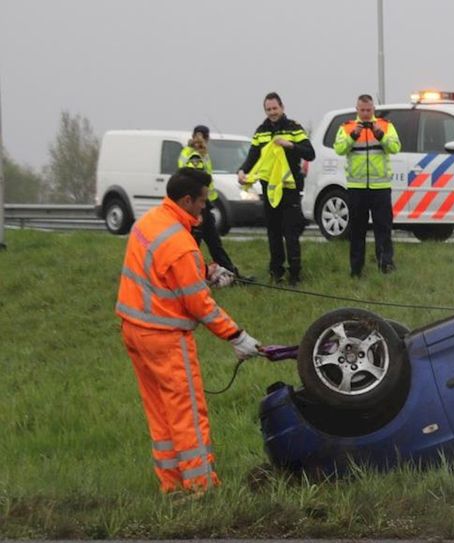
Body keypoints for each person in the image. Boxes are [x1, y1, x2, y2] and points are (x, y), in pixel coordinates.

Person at [115, 168, 262, 496]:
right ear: (186, 199)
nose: (205, 208)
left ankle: (172, 485)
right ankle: (201, 486)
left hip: (134, 331)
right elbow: (200, 305)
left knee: (160, 412)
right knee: (187, 412)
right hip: (164, 337)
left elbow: (166, 274)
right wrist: (237, 337)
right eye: (202, 201)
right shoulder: (181, 244)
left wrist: (206, 271)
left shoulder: (151, 221)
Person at [237, 92, 314, 286]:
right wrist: (242, 170)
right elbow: (253, 156)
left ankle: (295, 275)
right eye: (268, 109)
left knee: (291, 233)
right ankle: (276, 273)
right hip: (269, 190)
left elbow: (310, 153)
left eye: (275, 108)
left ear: (282, 108)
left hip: (290, 190)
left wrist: (289, 145)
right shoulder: (261, 131)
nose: (272, 112)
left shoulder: (294, 128)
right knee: (273, 233)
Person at [334, 94, 402, 276]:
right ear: (357, 110)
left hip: (380, 187)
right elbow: (339, 149)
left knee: (383, 229)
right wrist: (353, 136)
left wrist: (380, 134)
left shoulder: (385, 126)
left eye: (368, 110)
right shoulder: (347, 127)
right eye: (362, 110)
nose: (365, 114)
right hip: (356, 187)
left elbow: (395, 147)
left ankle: (385, 265)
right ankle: (356, 270)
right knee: (357, 231)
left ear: (373, 110)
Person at [178, 125, 246, 280]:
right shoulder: (194, 156)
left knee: (213, 243)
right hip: (197, 206)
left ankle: (231, 274)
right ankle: (191, 277)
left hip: (201, 205)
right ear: (207, 138)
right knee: (197, 245)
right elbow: (196, 181)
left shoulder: (195, 153)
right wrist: (200, 209)